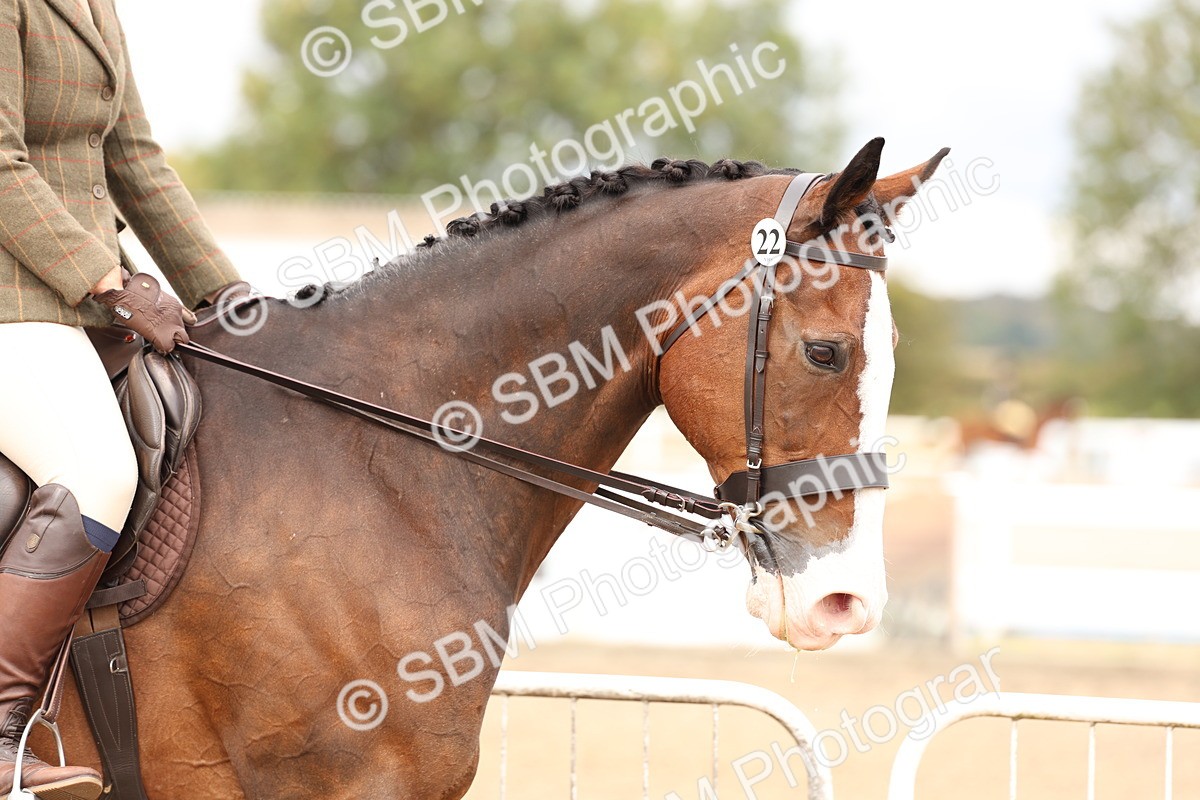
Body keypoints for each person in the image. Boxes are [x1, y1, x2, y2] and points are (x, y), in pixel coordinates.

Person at [0, 1, 243, 797]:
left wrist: (229, 296)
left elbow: (133, 159)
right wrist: (108, 280)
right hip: (13, 305)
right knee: (98, 470)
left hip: (78, 308)